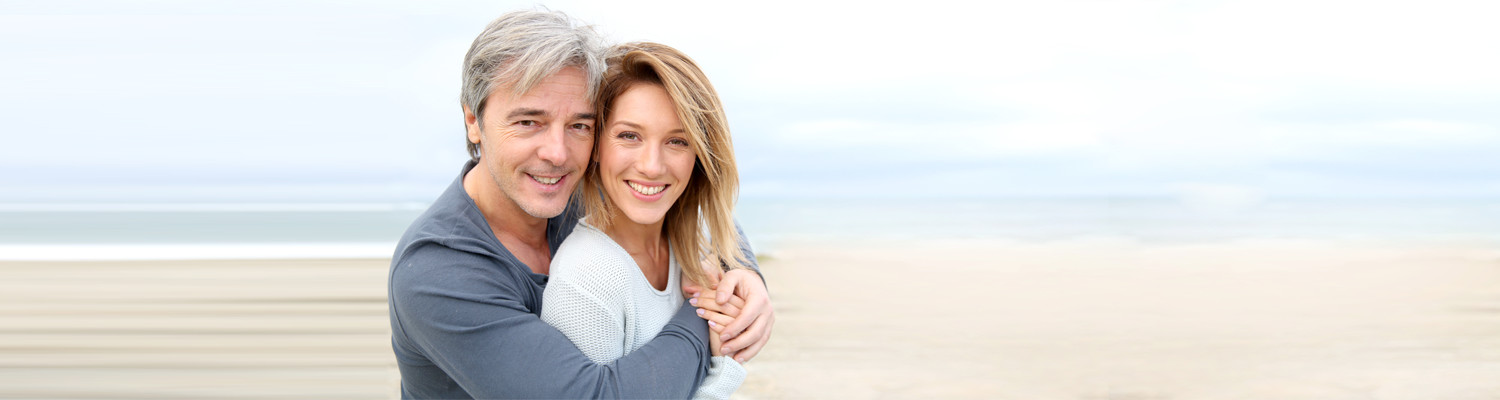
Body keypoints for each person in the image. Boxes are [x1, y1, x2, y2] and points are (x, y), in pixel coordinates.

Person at [386, 10, 774, 399]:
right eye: (528, 122)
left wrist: (745, 274)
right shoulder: (436, 270)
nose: (557, 154)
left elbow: (688, 206)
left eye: (579, 126)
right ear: (474, 120)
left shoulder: (576, 186)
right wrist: (705, 313)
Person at [539, 42, 752, 400]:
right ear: (596, 146)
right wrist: (726, 368)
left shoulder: (696, 242)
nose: (652, 166)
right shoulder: (587, 278)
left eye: (677, 141)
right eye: (629, 136)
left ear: (699, 156)